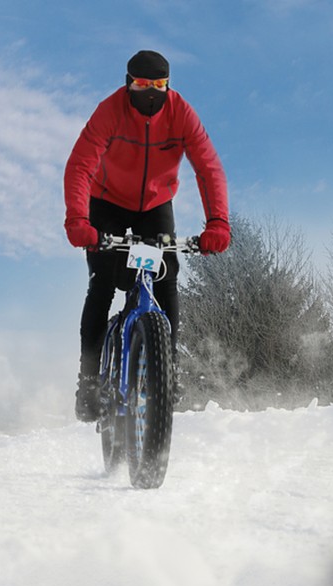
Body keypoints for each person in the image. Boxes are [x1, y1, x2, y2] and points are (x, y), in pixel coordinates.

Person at [64, 50, 230, 422]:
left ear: (168, 85)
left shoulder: (181, 113)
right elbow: (80, 165)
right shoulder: (110, 111)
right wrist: (78, 218)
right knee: (103, 284)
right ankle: (88, 380)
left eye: (159, 85)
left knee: (167, 279)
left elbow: (208, 167)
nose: (150, 92)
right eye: (142, 85)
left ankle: (166, 371)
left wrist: (217, 222)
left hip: (155, 205)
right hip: (106, 202)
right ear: (128, 83)